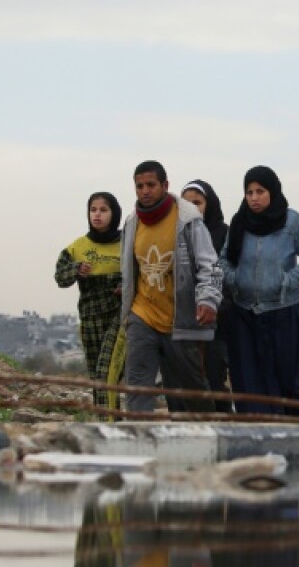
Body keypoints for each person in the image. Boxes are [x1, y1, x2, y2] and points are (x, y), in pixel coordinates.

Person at [119, 160, 222, 414]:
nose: (145, 191)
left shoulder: (188, 219)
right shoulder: (132, 222)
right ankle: (139, 438)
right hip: (142, 314)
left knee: (191, 387)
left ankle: (205, 433)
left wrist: (208, 299)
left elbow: (209, 264)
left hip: (180, 318)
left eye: (151, 185)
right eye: (139, 186)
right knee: (138, 385)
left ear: (165, 185)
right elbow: (131, 267)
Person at [220, 165, 299, 415]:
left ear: (273, 192)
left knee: (284, 382)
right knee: (246, 381)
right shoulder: (239, 222)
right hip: (244, 314)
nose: (254, 198)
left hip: (283, 313)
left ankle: (288, 442)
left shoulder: (292, 221)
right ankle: (253, 439)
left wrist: (287, 281)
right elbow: (224, 259)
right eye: (249, 192)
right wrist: (234, 279)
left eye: (260, 191)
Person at [54, 192, 123, 410]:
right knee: (97, 376)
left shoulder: (128, 243)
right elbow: (60, 277)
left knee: (106, 371)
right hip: (90, 319)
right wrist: (76, 269)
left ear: (114, 213)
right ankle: (108, 422)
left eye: (103, 210)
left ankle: (111, 423)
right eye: (93, 210)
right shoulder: (78, 247)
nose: (97, 215)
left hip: (118, 317)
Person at [180, 179, 233, 413]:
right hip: (183, 320)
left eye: (197, 202)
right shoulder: (177, 232)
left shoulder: (224, 233)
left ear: (208, 204)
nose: (192, 207)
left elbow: (228, 273)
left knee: (214, 378)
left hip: (216, 320)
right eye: (186, 203)